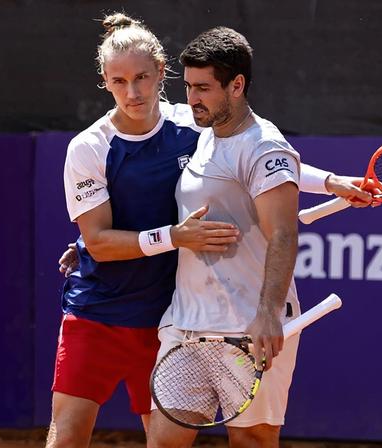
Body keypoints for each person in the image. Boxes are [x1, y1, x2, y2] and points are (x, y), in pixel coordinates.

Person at [47, 14, 374, 448]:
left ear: (161, 73)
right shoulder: (109, 144)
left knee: (250, 439)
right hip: (151, 318)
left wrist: (330, 182)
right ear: (105, 81)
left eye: (143, 77)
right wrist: (160, 238)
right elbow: (102, 238)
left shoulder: (201, 127)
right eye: (119, 81)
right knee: (125, 440)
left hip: (202, 316)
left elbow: (271, 165)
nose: (133, 92)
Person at [146, 27, 317, 448]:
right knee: (163, 442)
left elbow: (283, 233)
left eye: (203, 88)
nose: (192, 99)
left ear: (236, 85)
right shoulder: (204, 135)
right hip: (187, 325)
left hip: (247, 327)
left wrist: (268, 312)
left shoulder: (263, 147)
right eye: (188, 87)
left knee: (254, 441)